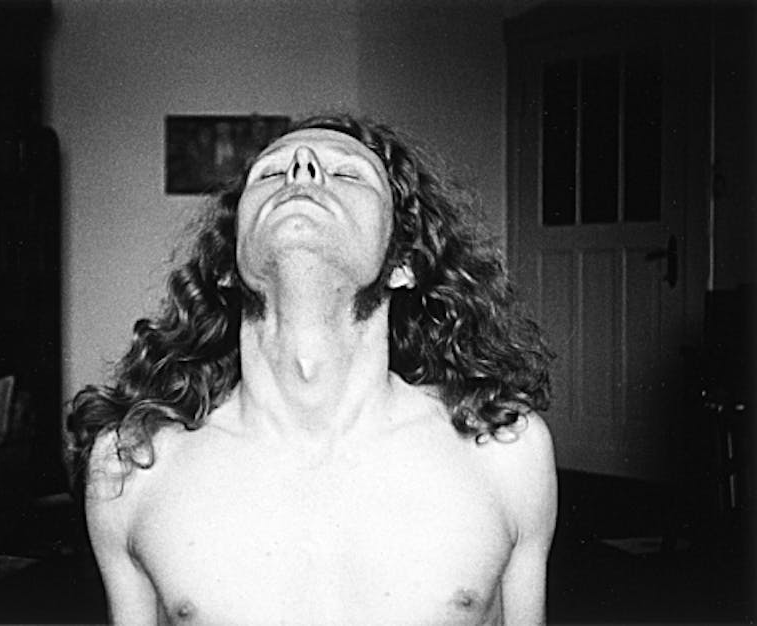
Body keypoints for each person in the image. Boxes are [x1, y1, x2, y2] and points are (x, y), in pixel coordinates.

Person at [70, 114, 557, 625]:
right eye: (270, 174)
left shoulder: (506, 453)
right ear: (226, 265)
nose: (301, 169)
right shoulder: (131, 468)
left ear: (404, 263)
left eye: (347, 174)